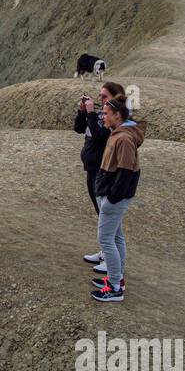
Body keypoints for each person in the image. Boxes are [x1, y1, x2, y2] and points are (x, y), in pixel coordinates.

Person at [89, 98, 146, 302]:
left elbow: (126, 171)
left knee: (105, 239)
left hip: (115, 198)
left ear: (118, 115)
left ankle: (114, 288)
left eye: (106, 113)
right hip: (113, 195)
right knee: (116, 237)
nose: (103, 117)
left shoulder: (123, 139)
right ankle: (117, 279)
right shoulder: (119, 134)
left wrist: (112, 197)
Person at [78, 82, 126, 268]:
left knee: (107, 217)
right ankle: (106, 253)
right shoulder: (100, 115)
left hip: (102, 170)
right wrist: (83, 112)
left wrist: (91, 113)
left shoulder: (115, 120)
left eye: (104, 96)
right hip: (91, 169)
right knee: (101, 214)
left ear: (116, 97)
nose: (100, 100)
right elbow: (78, 128)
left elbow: (99, 136)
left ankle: (111, 260)